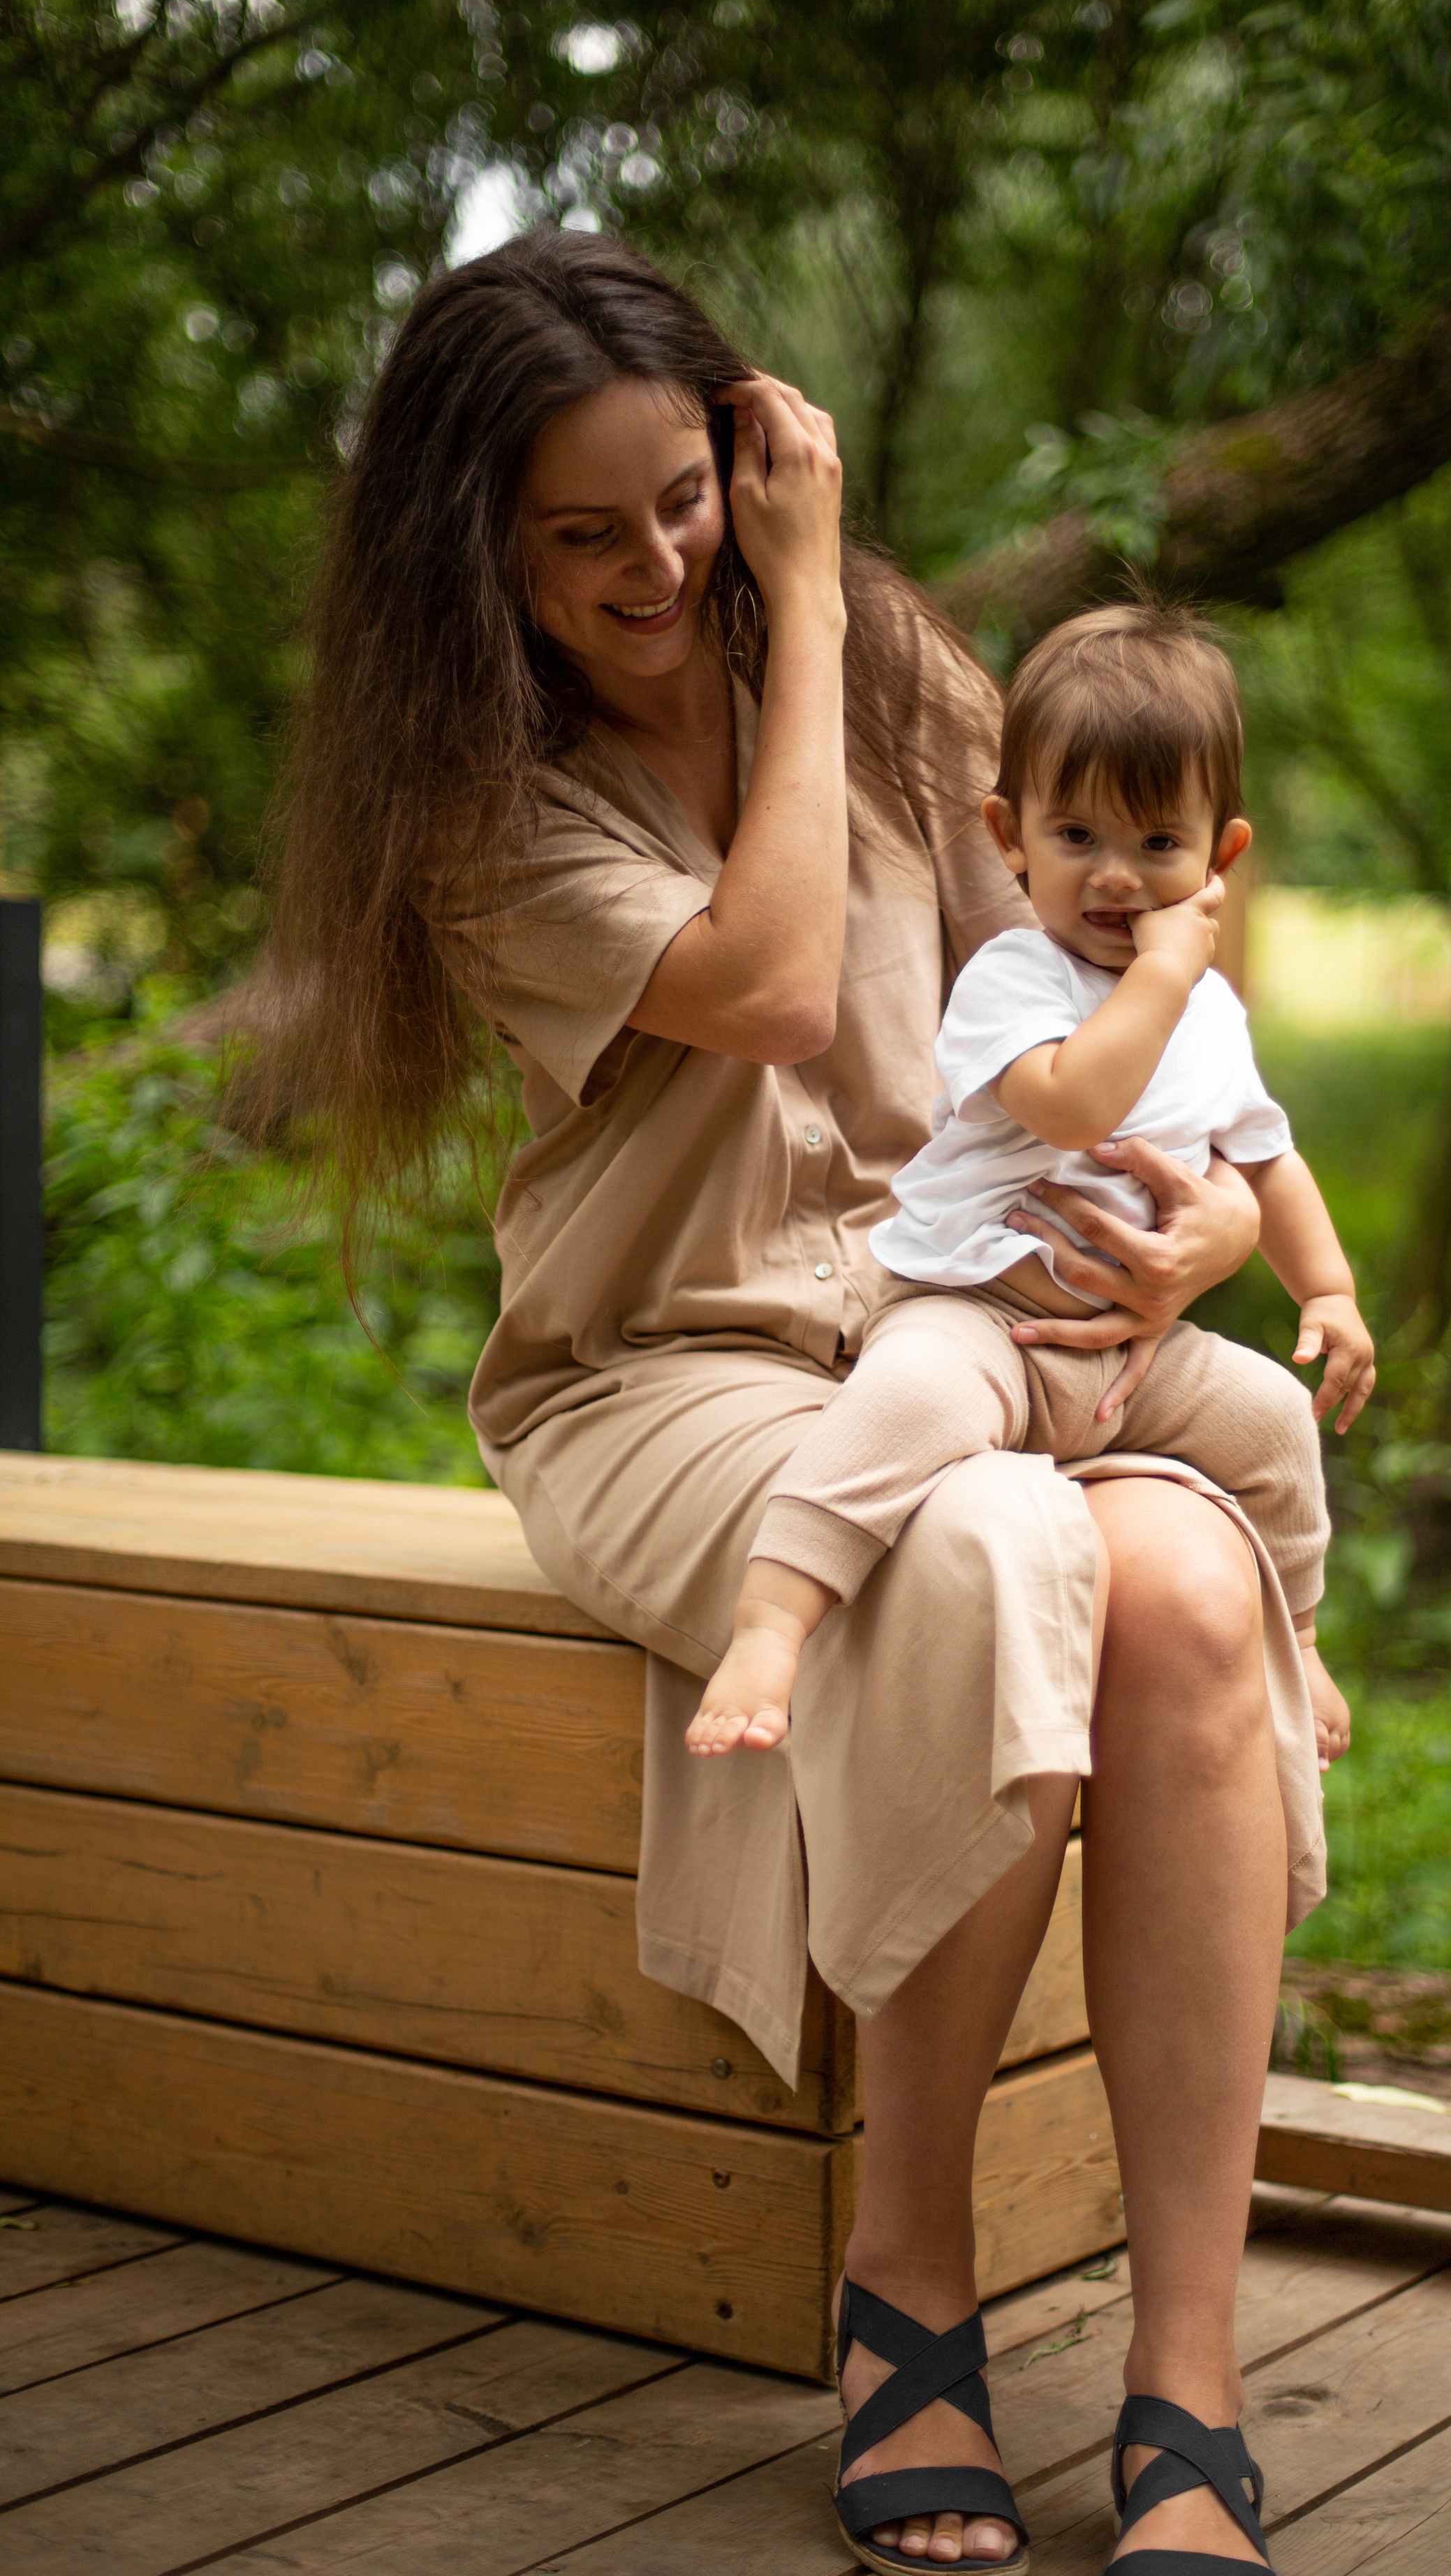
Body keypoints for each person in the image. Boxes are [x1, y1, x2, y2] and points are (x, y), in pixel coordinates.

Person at [265, 227, 1330, 2576]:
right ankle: (909, 2283)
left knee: (1173, 1574)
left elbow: (1124, 985)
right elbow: (758, 986)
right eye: (586, 532)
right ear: (485, 559)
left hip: (963, 1317)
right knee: (997, 1541)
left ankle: (1187, 2371)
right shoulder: (482, 799)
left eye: (687, 498)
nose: (663, 561)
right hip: (673, 1370)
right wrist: (817, 580)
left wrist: (1225, 1236)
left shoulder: (880, 661)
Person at [686, 602, 1373, 1771]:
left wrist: (1331, 1292)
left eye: (1158, 845)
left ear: (1223, 856)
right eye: (1076, 837)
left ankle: (1298, 1635)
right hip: (982, 1321)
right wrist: (1166, 971)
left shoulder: (1208, 1012)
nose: (1114, 879)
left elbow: (1267, 1153)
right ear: (1010, 835)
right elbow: (1069, 1104)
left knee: (1270, 1421)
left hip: (1130, 1355)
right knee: (898, 1410)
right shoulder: (1017, 975)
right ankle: (770, 1626)